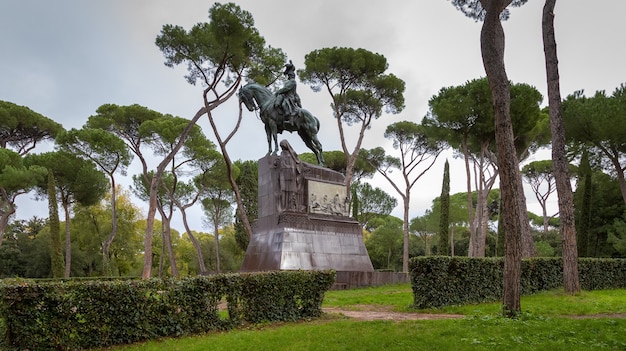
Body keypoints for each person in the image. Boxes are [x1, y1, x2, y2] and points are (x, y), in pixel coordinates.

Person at [275, 60, 302, 127]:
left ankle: (289, 119)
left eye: (289, 75)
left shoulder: (292, 82)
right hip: (285, 96)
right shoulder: (289, 81)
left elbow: (286, 89)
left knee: (284, 104)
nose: (288, 76)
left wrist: (278, 91)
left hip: (290, 97)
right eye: (288, 75)